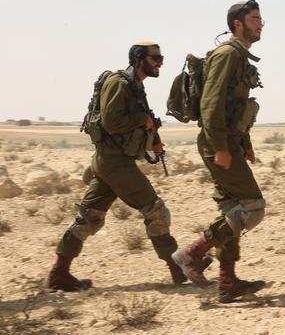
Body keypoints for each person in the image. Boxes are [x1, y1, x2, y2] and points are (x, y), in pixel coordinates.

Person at [48, 42, 208, 291]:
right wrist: (142, 120)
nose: (160, 62)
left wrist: (152, 139)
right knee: (156, 211)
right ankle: (177, 266)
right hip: (115, 162)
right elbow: (112, 122)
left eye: (161, 57)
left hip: (112, 163)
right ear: (138, 58)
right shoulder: (120, 83)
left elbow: (130, 123)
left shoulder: (135, 86)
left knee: (88, 218)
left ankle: (59, 273)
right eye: (155, 57)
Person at [171, 0, 267, 303]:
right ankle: (193, 252)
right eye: (254, 19)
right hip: (218, 143)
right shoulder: (227, 54)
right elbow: (210, 103)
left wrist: (244, 143)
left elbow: (234, 106)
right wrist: (221, 148)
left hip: (229, 140)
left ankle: (227, 282)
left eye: (261, 19)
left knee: (232, 211)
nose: (260, 24)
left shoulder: (238, 56)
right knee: (253, 207)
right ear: (237, 24)